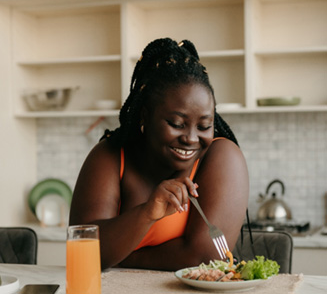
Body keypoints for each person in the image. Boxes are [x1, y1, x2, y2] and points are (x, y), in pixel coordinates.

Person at [69, 38, 249, 271]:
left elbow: (205, 258)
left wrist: (124, 257)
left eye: (204, 126)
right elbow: (83, 250)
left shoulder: (222, 157)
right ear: (145, 116)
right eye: (176, 123)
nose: (191, 138)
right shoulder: (111, 155)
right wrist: (145, 214)